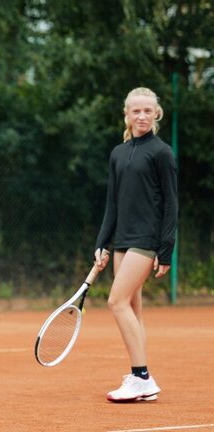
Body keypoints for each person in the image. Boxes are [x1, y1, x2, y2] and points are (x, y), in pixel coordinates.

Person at [94, 87, 178, 403]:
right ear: (126, 115)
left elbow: (171, 205)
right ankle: (139, 376)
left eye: (147, 110)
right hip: (121, 241)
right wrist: (102, 243)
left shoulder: (162, 153)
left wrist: (166, 248)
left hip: (146, 240)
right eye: (135, 111)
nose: (141, 116)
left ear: (156, 114)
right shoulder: (118, 153)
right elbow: (112, 204)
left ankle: (142, 376)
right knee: (132, 309)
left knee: (116, 302)